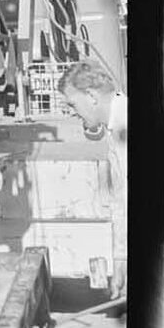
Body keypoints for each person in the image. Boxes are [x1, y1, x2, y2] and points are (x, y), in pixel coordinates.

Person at [60, 60, 127, 298]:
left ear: (91, 96)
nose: (72, 111)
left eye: (73, 103)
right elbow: (122, 199)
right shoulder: (116, 125)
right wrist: (121, 261)